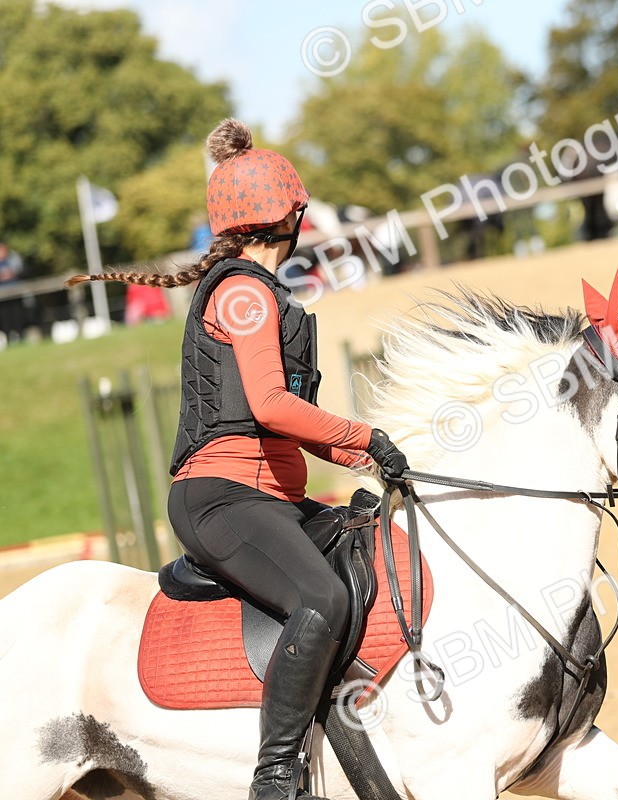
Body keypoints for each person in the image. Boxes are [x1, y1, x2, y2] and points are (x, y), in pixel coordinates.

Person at [65, 118, 409, 800]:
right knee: (321, 595)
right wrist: (366, 435)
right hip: (220, 499)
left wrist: (368, 457)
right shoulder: (246, 293)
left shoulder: (266, 294)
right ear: (291, 218)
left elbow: (289, 423)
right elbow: (273, 406)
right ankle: (275, 776)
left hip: (269, 497)